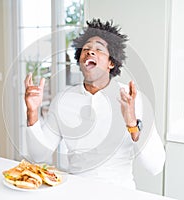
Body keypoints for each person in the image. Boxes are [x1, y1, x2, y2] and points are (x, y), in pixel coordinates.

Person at [24, 18, 165, 189]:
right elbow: (39, 156)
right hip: (76, 191)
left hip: (120, 193)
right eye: (86, 49)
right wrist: (32, 112)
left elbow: (155, 166)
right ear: (80, 59)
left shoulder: (133, 100)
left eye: (99, 49)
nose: (90, 52)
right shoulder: (63, 100)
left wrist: (132, 123)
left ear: (111, 63)